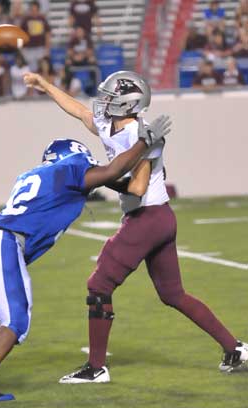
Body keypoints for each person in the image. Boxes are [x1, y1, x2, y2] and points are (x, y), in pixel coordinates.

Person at [0, 116, 171, 402]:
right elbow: (113, 170)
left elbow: (127, 185)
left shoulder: (39, 175)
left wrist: (143, 157)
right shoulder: (70, 168)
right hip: (4, 243)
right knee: (16, 324)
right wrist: (144, 142)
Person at [22, 70, 248, 382]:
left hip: (148, 219)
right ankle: (235, 348)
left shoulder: (144, 135)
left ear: (128, 102)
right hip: (158, 218)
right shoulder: (110, 123)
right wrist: (45, 84)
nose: (103, 101)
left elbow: (138, 188)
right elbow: (79, 111)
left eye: (110, 96)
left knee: (99, 284)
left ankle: (96, 368)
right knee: (173, 294)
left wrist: (96, 177)